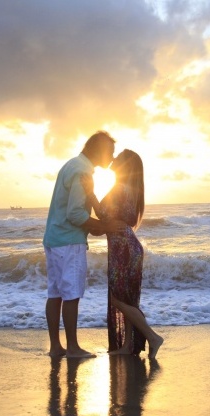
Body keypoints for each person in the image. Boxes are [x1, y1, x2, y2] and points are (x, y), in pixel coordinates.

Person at [43, 131, 126, 358]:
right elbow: (75, 214)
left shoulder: (71, 165)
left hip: (54, 238)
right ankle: (72, 348)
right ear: (99, 151)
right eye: (110, 152)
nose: (112, 157)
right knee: (71, 295)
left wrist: (98, 224)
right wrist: (106, 227)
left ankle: (56, 347)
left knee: (55, 293)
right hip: (69, 241)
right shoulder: (83, 171)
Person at [83, 149, 164, 358]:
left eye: (118, 157)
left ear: (125, 164)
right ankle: (128, 346)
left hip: (124, 249)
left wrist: (90, 194)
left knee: (118, 299)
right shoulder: (127, 188)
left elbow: (104, 214)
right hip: (127, 247)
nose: (114, 158)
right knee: (127, 299)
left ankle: (153, 337)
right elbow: (111, 220)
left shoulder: (121, 187)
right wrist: (100, 227)